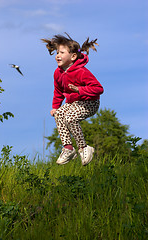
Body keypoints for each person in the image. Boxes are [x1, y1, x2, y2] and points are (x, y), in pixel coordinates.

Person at [42, 33, 104, 166]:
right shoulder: (57, 73)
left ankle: (83, 148)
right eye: (57, 52)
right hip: (73, 103)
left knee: (70, 118)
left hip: (90, 103)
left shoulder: (82, 72)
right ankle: (68, 149)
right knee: (59, 114)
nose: (58, 55)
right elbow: (58, 91)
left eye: (62, 52)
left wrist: (79, 90)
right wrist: (55, 107)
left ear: (73, 56)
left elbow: (99, 89)